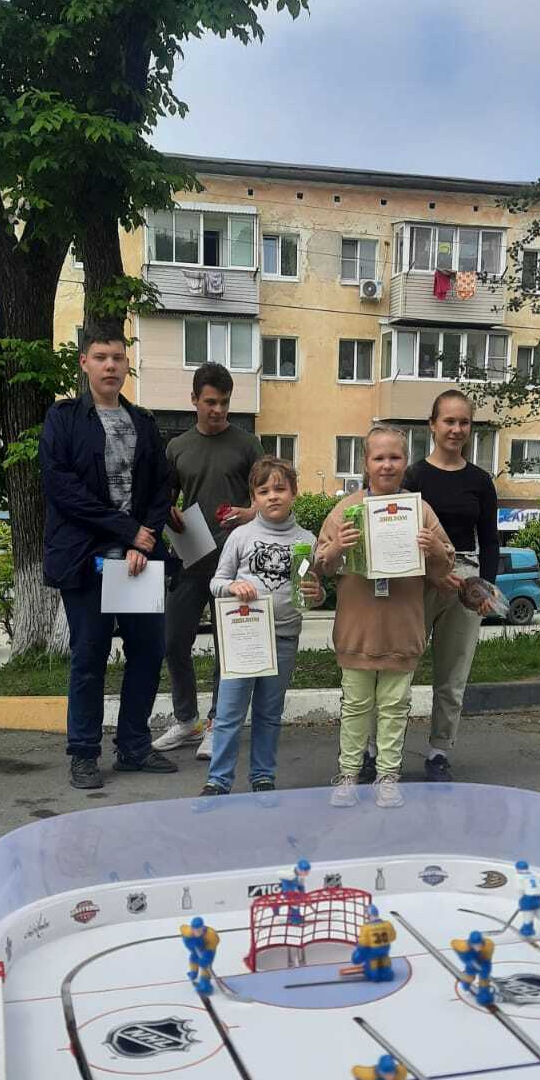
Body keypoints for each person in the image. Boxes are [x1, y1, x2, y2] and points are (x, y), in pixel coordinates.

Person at [40, 324, 177, 791]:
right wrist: (128, 532)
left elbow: (162, 486)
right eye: (101, 357)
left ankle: (134, 746)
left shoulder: (142, 421)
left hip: (139, 560)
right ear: (85, 363)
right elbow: (63, 491)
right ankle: (83, 753)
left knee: (147, 651)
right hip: (86, 561)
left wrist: (148, 537)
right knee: (89, 656)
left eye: (118, 357)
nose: (111, 365)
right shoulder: (62, 420)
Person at [315, 426, 453, 809]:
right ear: (365, 463)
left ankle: (388, 777)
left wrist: (435, 550)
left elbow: (445, 568)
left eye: (394, 457)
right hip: (357, 632)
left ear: (405, 462)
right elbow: (320, 563)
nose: (387, 465)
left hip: (401, 632)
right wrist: (336, 548)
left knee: (395, 708)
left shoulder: (419, 510)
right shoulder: (348, 508)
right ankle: (348, 774)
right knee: (355, 706)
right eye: (379, 458)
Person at [154, 363, 263, 762]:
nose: (218, 410)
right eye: (210, 402)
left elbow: (269, 499)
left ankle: (218, 724)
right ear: (195, 400)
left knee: (227, 648)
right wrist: (168, 511)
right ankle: (187, 720)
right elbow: (163, 497)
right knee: (173, 641)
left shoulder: (248, 444)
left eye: (225, 403)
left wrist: (251, 513)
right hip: (191, 556)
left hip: (235, 563)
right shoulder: (177, 447)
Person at [202, 455, 324, 795]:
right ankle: (218, 780)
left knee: (269, 713)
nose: (273, 496)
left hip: (284, 637)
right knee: (228, 713)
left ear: (295, 493)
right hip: (243, 638)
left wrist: (317, 593)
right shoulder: (241, 536)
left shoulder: (306, 541)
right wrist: (232, 587)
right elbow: (216, 582)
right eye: (264, 490)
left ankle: (263, 776)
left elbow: (308, 594)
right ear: (253, 498)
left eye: (280, 489)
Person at [404, 390, 499, 783]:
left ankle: (440, 751)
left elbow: (490, 539)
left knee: (452, 674)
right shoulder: (413, 476)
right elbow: (398, 534)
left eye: (464, 422)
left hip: (464, 578)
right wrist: (430, 572)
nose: (457, 429)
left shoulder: (479, 481)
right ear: (432, 425)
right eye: (449, 421)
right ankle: (378, 749)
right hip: (416, 576)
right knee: (398, 668)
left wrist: (486, 589)